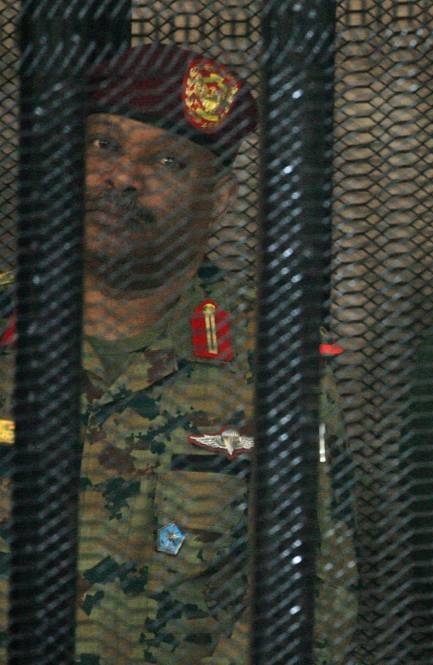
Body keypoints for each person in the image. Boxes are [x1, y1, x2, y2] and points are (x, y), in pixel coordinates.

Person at [0, 44, 356, 664]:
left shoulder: (268, 359)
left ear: (218, 199)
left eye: (165, 161)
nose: (122, 177)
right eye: (103, 145)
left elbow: (316, 594)